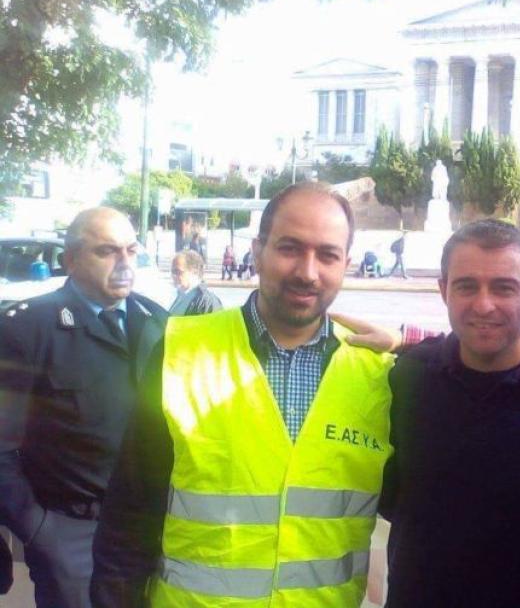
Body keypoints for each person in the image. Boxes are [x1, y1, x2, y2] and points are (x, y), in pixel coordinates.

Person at [91, 182, 395, 608]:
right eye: (290, 248)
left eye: (327, 255)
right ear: (258, 251)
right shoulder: (182, 351)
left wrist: (413, 345)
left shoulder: (380, 374)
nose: (308, 272)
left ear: (346, 263)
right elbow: (130, 509)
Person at [380, 219, 520, 607]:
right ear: (444, 291)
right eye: (466, 286)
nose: (484, 305)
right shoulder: (406, 378)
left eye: (504, 287)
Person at [0, 207, 167, 608]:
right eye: (107, 251)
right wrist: (39, 529)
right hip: (74, 532)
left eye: (131, 250)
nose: (124, 262)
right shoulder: (27, 328)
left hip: (149, 528)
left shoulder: (157, 321)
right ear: (71, 260)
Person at [169, 250, 222, 316]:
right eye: (172, 272)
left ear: (194, 272)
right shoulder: (180, 296)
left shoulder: (207, 301)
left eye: (177, 271)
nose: (173, 276)